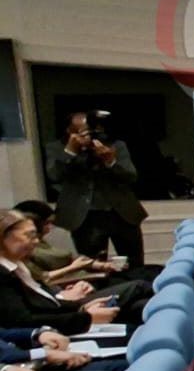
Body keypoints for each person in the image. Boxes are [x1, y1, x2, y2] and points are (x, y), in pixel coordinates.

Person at [44, 111, 148, 266]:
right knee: (93, 265)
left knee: (134, 263)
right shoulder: (56, 148)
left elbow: (131, 176)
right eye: (82, 132)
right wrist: (70, 152)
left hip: (121, 213)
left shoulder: (115, 145)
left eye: (91, 130)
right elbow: (54, 175)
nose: (88, 136)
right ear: (69, 131)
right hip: (84, 217)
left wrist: (110, 161)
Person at [0, 211, 121, 335]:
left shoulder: (20, 266)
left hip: (64, 319)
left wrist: (81, 308)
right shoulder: (3, 273)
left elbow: (44, 305)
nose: (36, 241)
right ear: (3, 236)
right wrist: (86, 318)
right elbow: (22, 320)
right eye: (29, 235)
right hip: (43, 338)